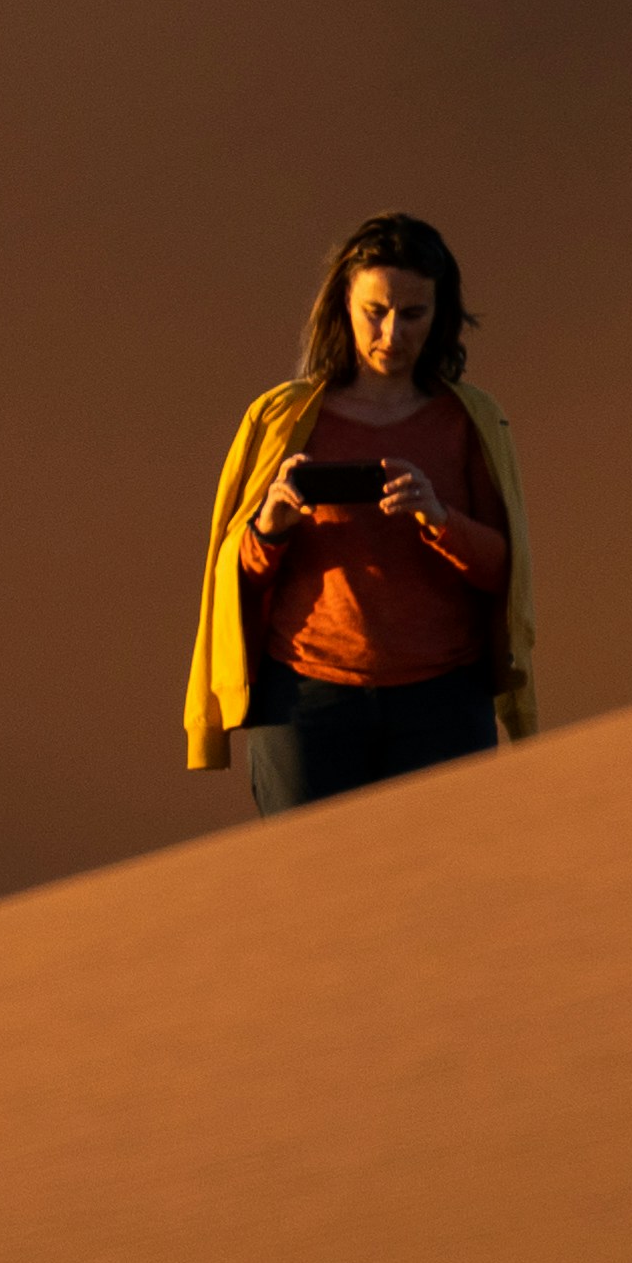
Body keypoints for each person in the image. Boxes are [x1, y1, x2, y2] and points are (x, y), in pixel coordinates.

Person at [180, 213, 533, 815]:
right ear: (344, 305)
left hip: (442, 702)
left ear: (440, 316)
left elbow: (507, 571)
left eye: (414, 314)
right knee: (313, 891)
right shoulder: (282, 417)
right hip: (307, 702)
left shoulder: (469, 419)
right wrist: (270, 527)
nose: (393, 333)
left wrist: (440, 519)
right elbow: (229, 580)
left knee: (444, 885)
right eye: (376, 310)